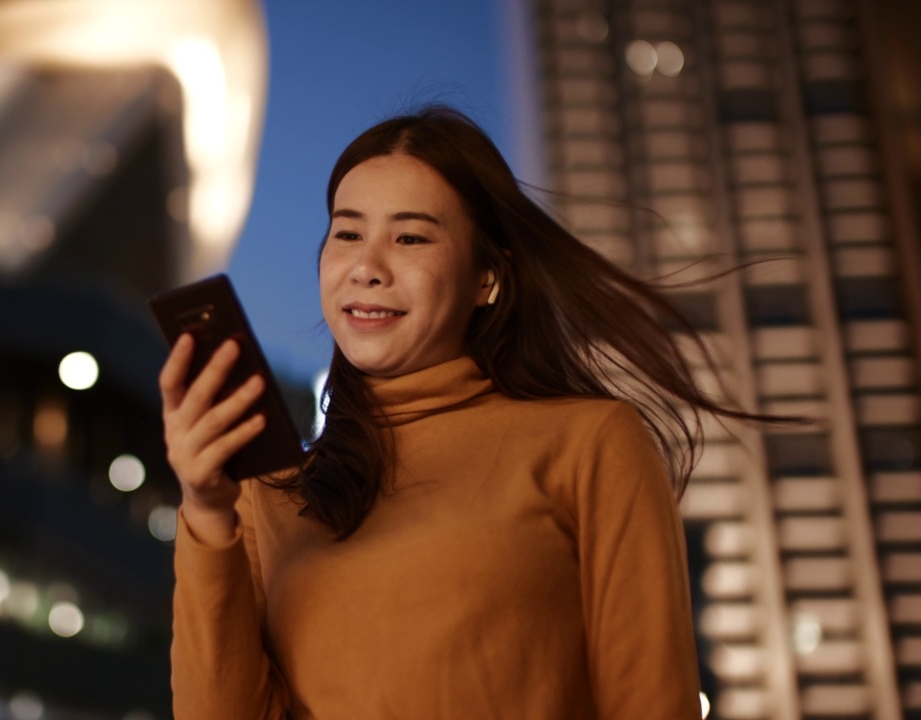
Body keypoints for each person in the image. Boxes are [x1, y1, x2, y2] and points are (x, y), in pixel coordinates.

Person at [159, 106, 742, 718]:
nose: (367, 268)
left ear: (487, 277)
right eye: (347, 233)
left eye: (410, 237)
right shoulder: (265, 493)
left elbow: (652, 705)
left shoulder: (591, 442)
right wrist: (204, 512)